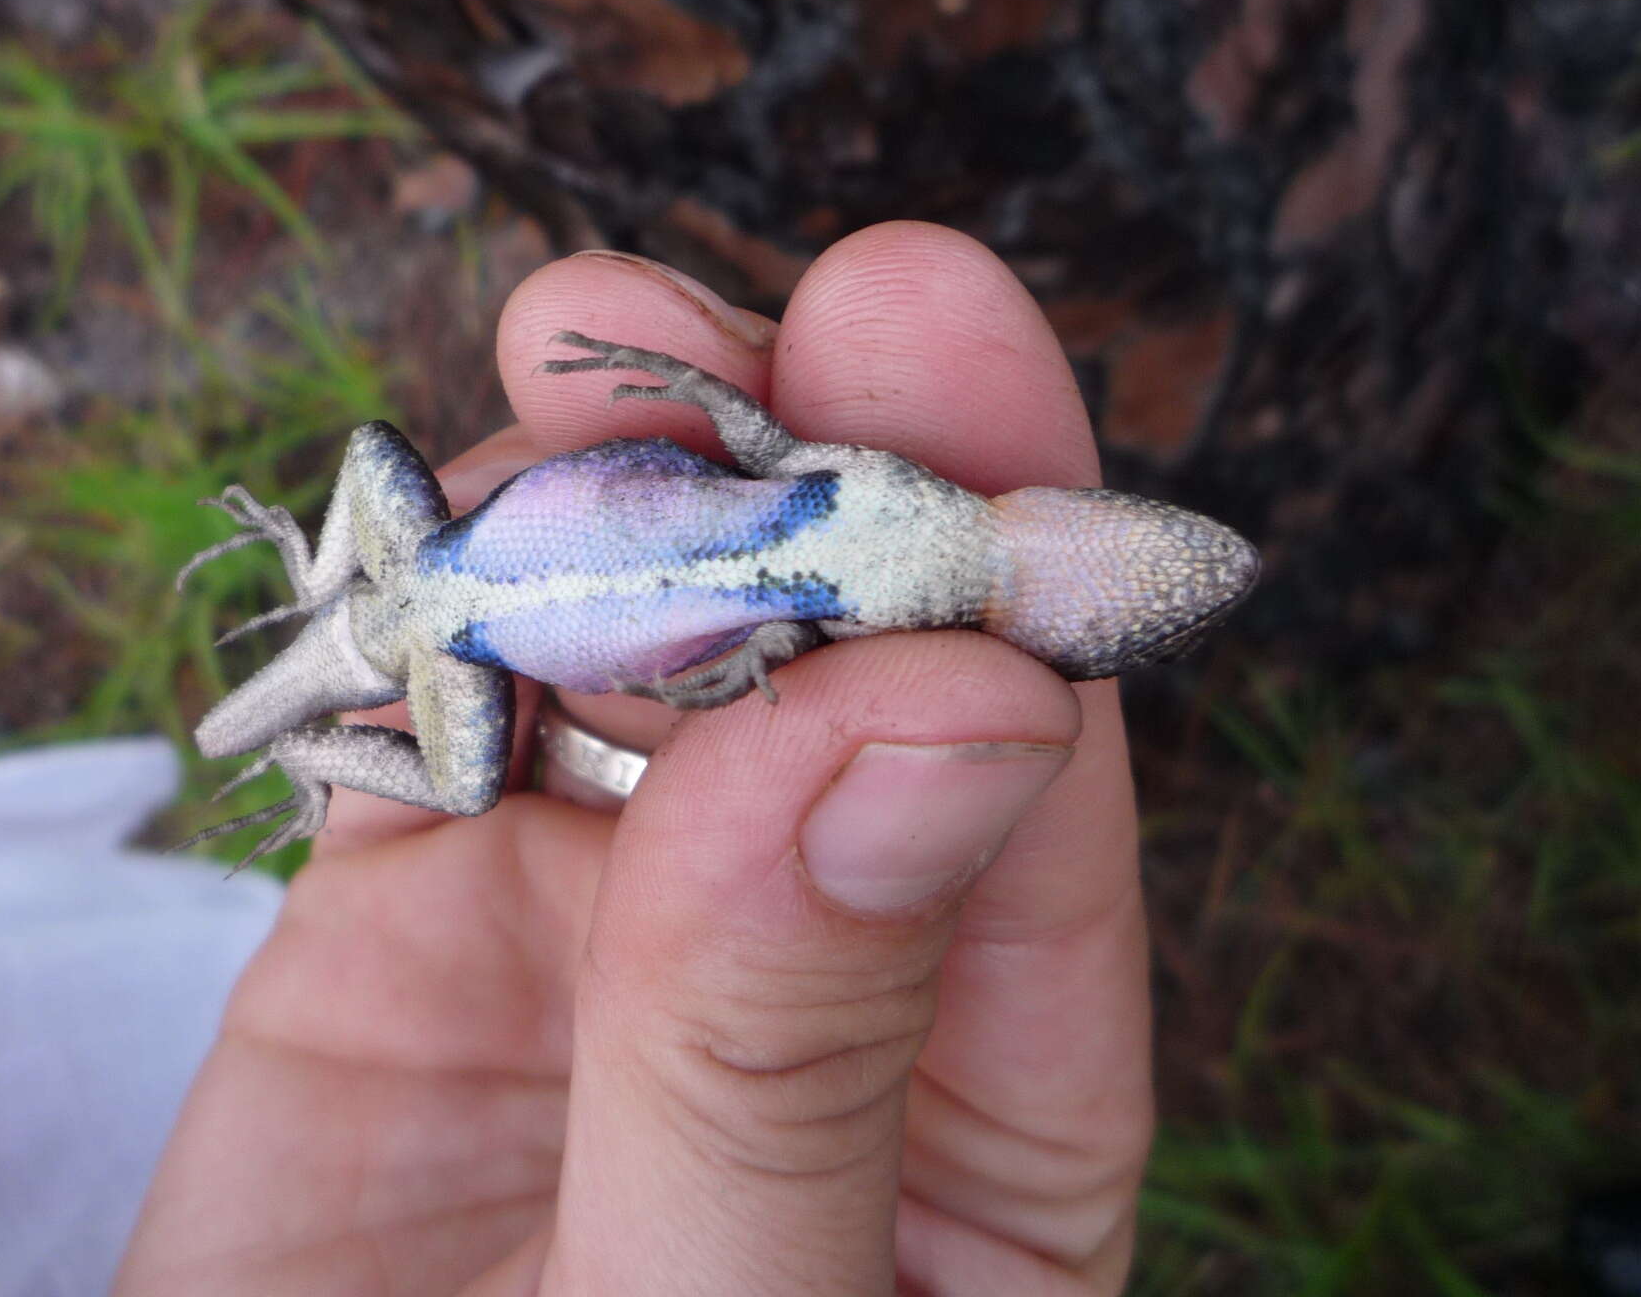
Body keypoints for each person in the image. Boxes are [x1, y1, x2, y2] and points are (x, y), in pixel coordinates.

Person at [113, 222, 1151, 1295]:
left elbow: (736, 432)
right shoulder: (814, 615)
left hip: (430, 581)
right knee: (460, 783)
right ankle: (304, 737)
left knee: (387, 496)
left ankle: (308, 644)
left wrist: (672, 381)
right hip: (445, 609)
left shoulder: (844, 511)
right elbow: (724, 620)